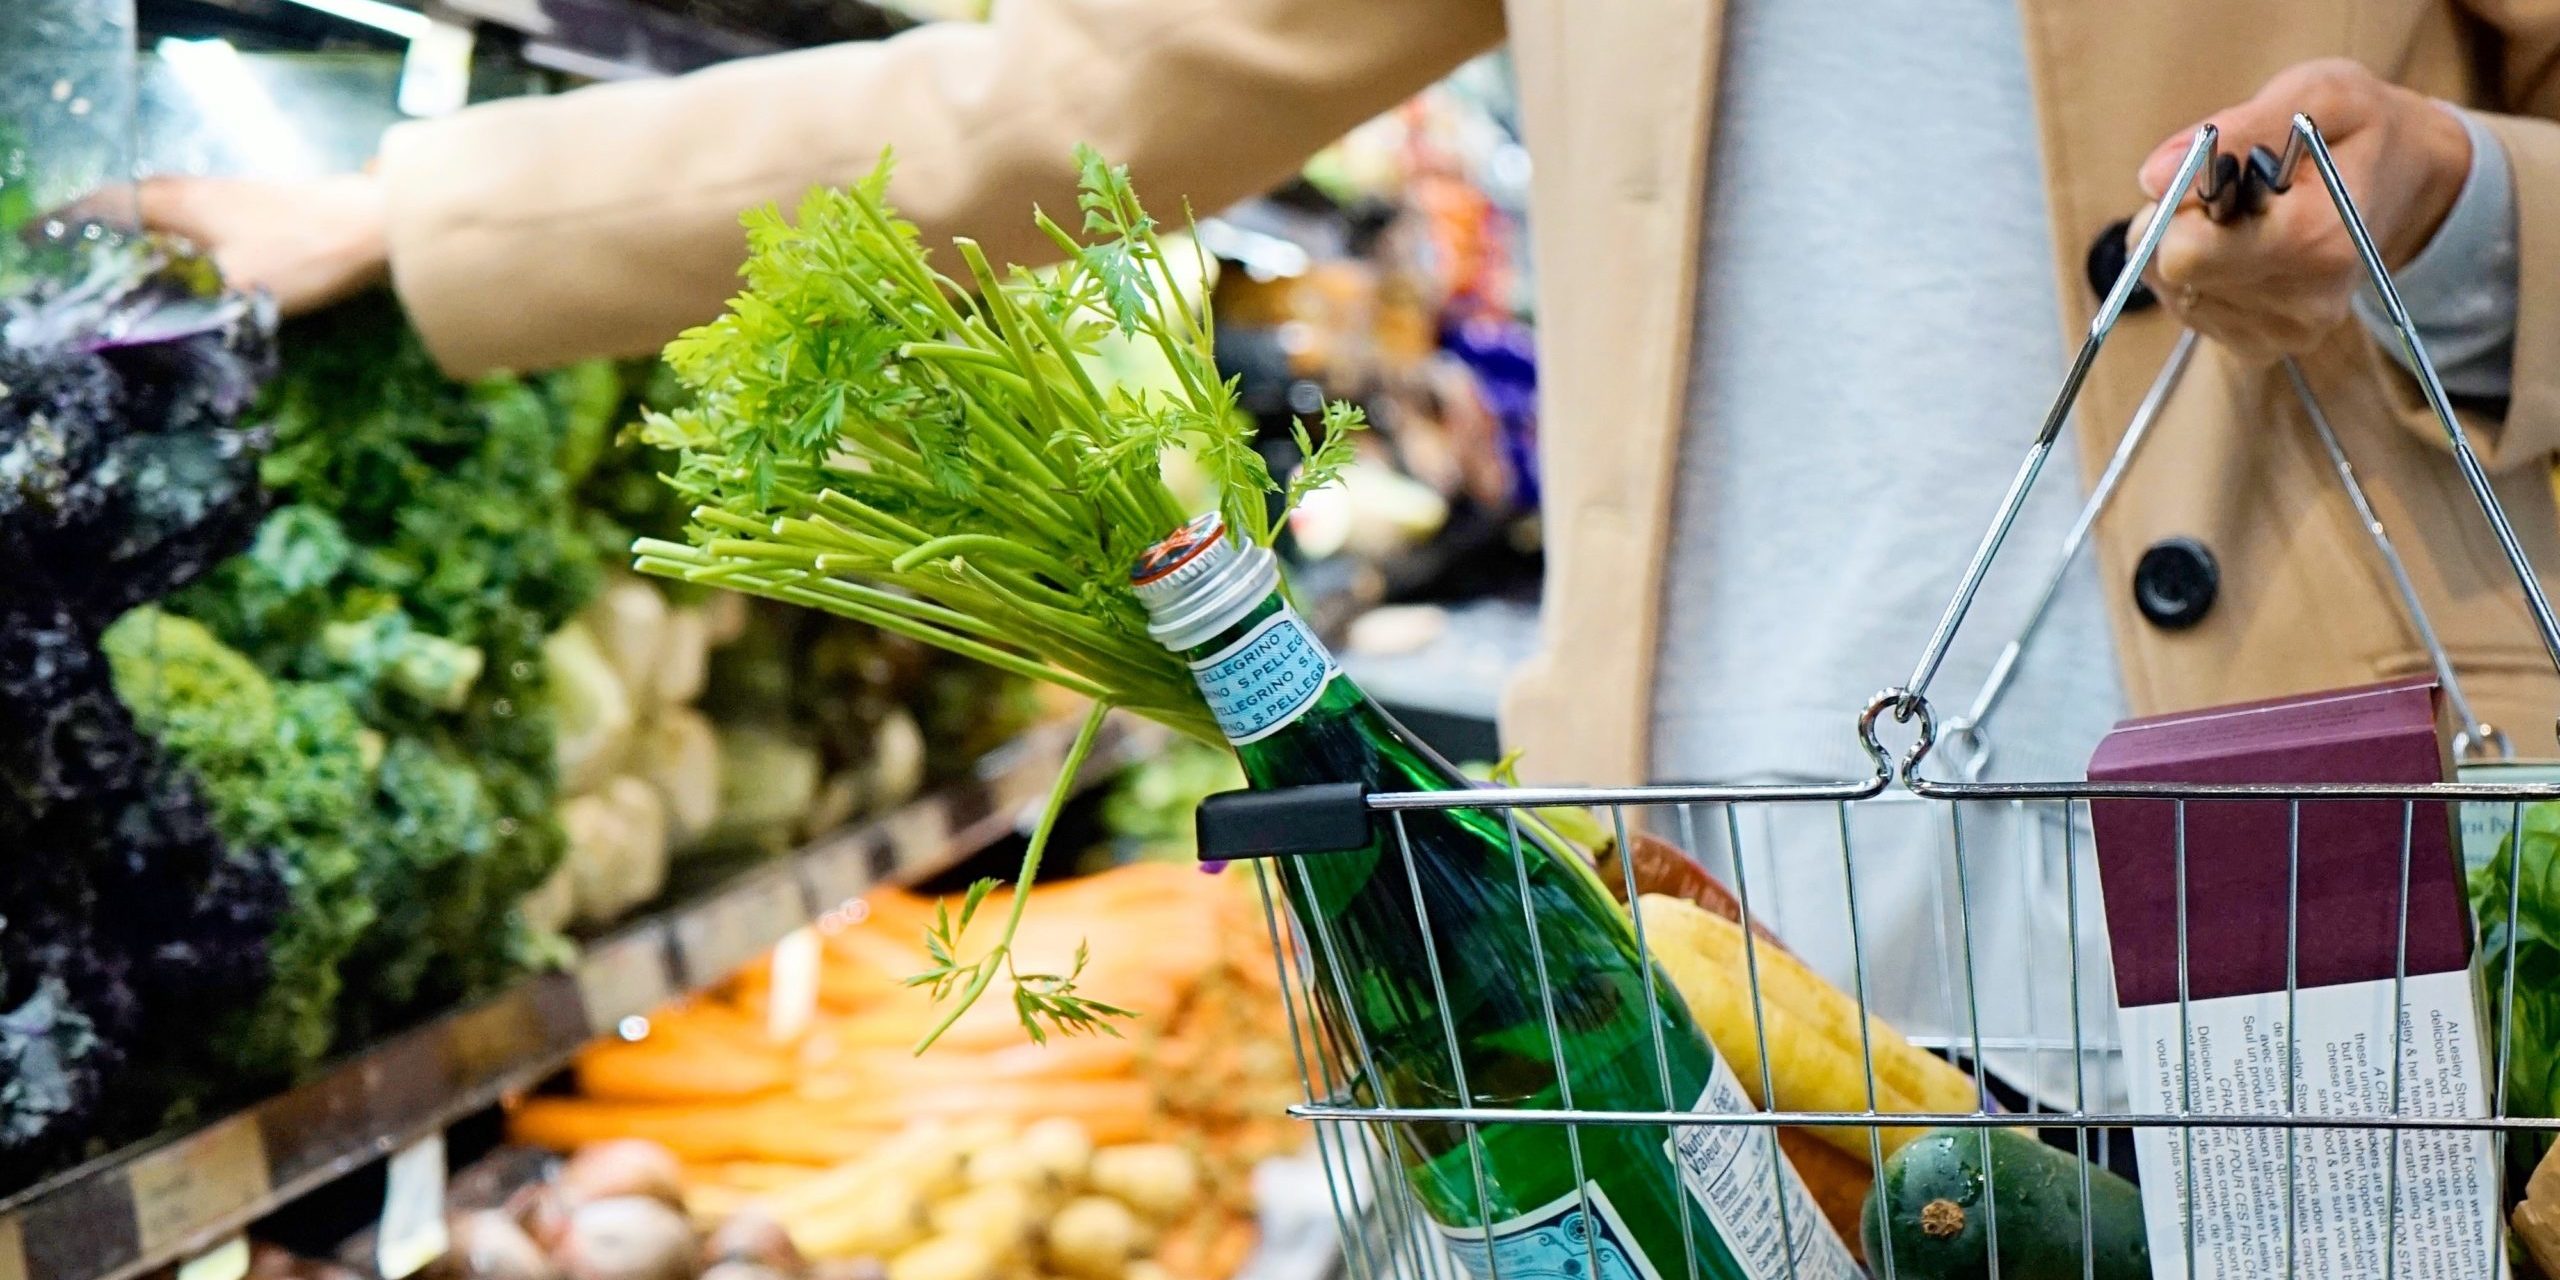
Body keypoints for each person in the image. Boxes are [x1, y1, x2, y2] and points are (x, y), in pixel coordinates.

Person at [138, 0, 2560, 1110]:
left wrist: (2445, 230)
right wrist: (431, 212)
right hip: (1712, 896)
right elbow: (1065, 88)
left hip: (2321, 876)